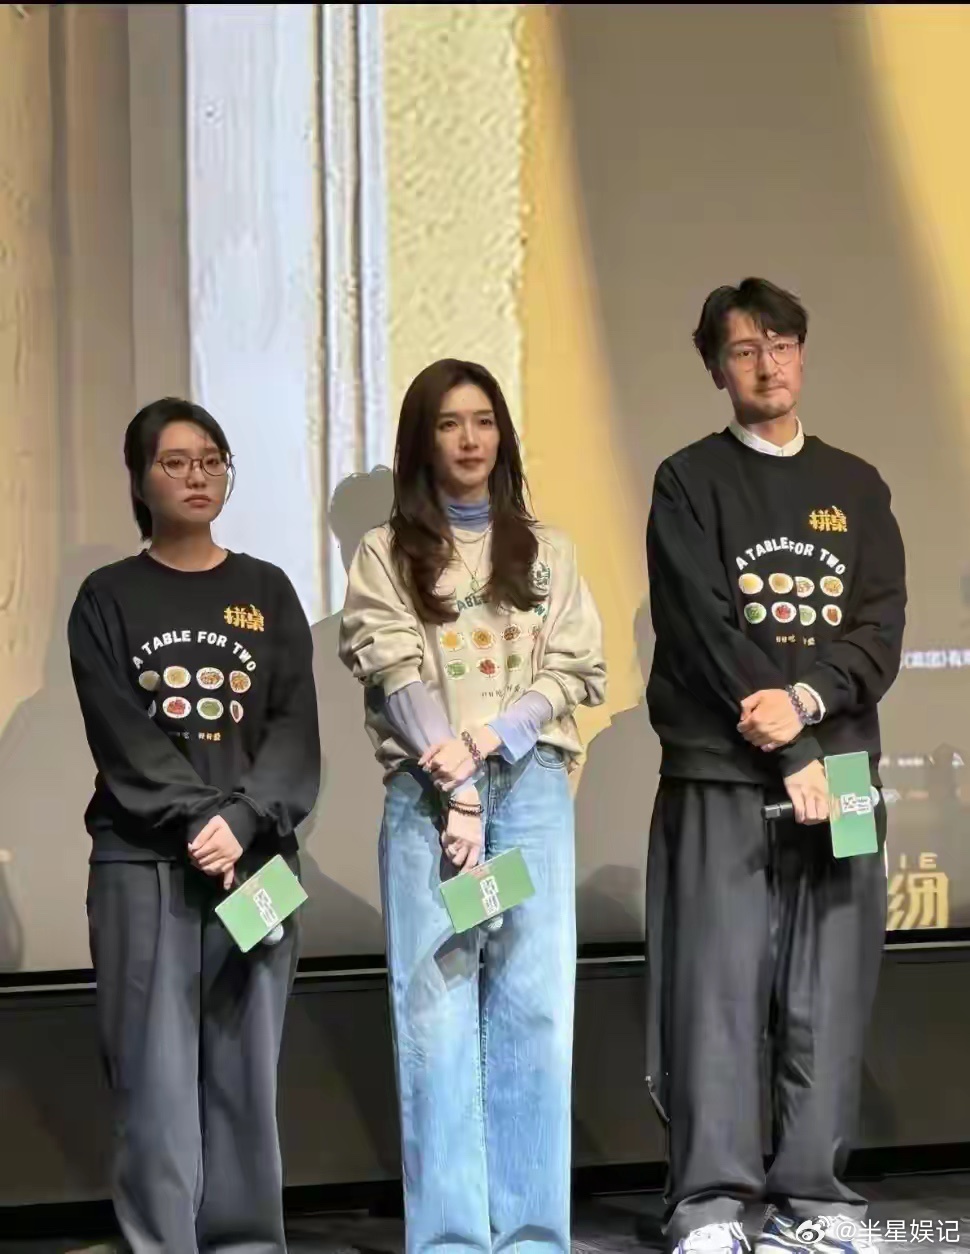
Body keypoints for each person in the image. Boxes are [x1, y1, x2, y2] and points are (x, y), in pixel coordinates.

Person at [644, 279, 906, 1254]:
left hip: (842, 767)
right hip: (722, 767)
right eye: (745, 349)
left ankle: (816, 1198)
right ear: (716, 368)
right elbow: (703, 626)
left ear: (802, 353)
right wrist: (783, 740)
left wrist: (807, 708)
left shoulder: (857, 484)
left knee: (829, 991)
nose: (767, 364)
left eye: (782, 344)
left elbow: (878, 627)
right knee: (715, 989)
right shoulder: (687, 481)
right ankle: (711, 1203)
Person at [339, 358, 606, 1253]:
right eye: (450, 423)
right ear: (423, 440)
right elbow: (391, 669)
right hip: (427, 795)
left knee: (536, 1011)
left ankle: (530, 1235)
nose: (469, 439)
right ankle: (451, 1238)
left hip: (530, 789)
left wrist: (493, 740)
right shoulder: (383, 552)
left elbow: (573, 668)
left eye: (484, 421)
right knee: (435, 1017)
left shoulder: (549, 549)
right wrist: (455, 783)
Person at [68, 398, 320, 1253]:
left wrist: (245, 820)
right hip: (144, 864)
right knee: (154, 1081)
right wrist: (201, 818)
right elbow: (122, 735)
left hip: (259, 865)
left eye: (211, 460)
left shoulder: (267, 589)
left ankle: (246, 1243)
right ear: (140, 478)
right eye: (174, 462)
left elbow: (294, 729)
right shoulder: (107, 598)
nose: (196, 476)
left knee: (247, 1076)